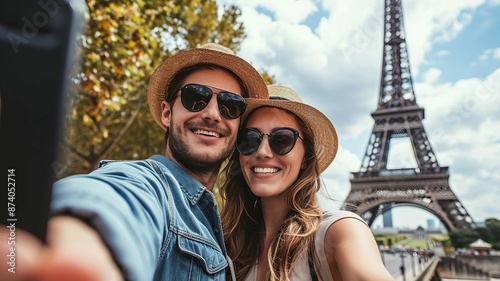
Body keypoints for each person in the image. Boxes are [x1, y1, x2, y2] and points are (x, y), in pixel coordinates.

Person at [0, 43, 268, 281]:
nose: (212, 114)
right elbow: (117, 198)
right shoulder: (147, 184)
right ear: (166, 113)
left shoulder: (220, 224)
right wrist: (81, 240)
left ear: (238, 125)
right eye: (195, 98)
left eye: (230, 105)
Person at [220, 84, 395, 281]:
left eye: (282, 140)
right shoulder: (230, 246)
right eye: (250, 139)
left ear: (305, 158)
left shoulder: (338, 232)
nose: (262, 151)